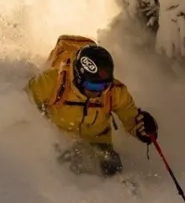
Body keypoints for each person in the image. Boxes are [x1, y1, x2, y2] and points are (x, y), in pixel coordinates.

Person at [27, 37, 157, 177]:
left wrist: (145, 130)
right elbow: (23, 103)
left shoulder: (115, 92)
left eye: (103, 86)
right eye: (92, 86)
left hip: (98, 140)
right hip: (60, 137)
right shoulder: (52, 81)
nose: (97, 92)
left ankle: (119, 194)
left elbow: (131, 118)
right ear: (78, 77)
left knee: (112, 167)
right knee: (65, 167)